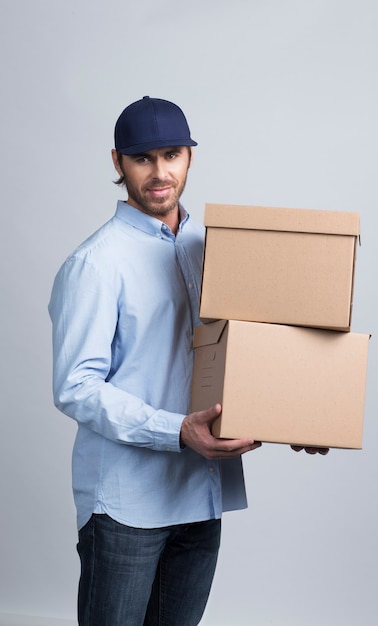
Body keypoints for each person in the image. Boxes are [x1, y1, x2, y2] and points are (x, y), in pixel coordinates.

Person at [48, 96, 262, 626]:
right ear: (118, 162)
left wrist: (296, 416)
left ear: (190, 156)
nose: (160, 172)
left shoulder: (214, 249)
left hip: (201, 495)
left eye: (172, 154)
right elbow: (76, 386)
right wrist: (177, 431)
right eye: (143, 158)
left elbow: (254, 349)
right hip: (127, 504)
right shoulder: (94, 264)